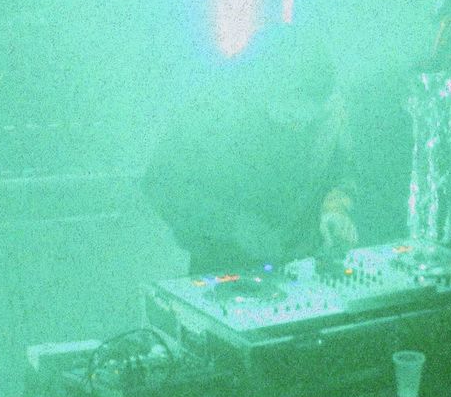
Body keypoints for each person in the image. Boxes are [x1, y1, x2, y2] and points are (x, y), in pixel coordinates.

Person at [143, 46, 358, 275]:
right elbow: (163, 184)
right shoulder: (209, 113)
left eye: (309, 119)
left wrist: (335, 209)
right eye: (290, 115)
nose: (298, 127)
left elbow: (341, 173)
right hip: (223, 265)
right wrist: (233, 225)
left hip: (299, 265)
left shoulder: (329, 113)